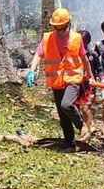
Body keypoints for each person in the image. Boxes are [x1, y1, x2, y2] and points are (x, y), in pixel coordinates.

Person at [28, 8, 94, 151]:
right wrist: (32, 70)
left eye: (62, 28)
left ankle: (82, 125)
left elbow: (84, 58)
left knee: (66, 105)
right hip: (57, 82)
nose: (59, 31)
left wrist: (90, 75)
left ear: (68, 24)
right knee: (62, 115)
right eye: (56, 28)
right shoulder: (47, 38)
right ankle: (70, 144)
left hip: (73, 79)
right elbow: (38, 55)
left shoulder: (77, 38)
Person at [75, 30, 101, 134]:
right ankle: (83, 127)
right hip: (76, 84)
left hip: (89, 85)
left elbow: (99, 69)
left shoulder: (92, 54)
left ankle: (90, 130)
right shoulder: (72, 53)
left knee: (85, 108)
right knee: (75, 108)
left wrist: (102, 79)